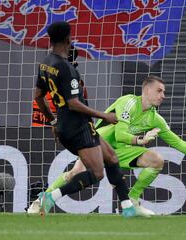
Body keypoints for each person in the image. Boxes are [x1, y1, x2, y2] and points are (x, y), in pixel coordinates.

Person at [31, 75, 186, 217]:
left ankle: (132, 200)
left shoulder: (155, 119)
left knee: (157, 161)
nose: (163, 95)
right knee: (75, 174)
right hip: (96, 143)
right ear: (147, 90)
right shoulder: (128, 102)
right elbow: (119, 133)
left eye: (164, 92)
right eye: (159, 91)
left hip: (120, 151)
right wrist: (140, 141)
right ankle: (41, 200)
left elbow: (177, 142)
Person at [32, 21, 136, 217]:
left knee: (112, 158)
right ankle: (50, 197)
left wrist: (53, 122)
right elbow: (74, 104)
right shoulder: (67, 69)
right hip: (77, 126)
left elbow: (38, 95)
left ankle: (128, 207)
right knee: (97, 173)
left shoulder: (46, 63)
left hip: (67, 125)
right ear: (68, 39)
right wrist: (104, 115)